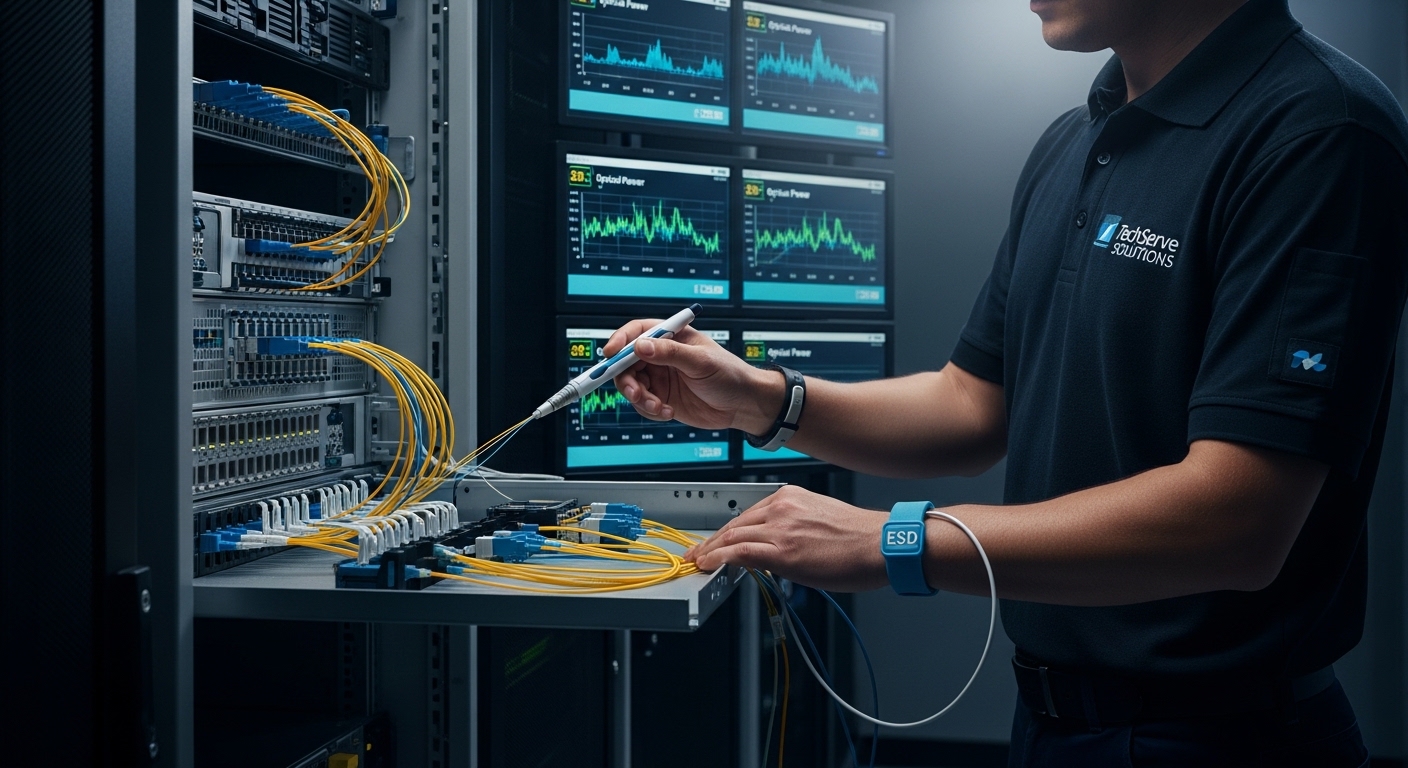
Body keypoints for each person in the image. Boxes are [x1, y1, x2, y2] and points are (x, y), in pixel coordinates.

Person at [602, 0, 1408, 764]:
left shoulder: (1320, 132)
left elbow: (1240, 518)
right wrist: (763, 399)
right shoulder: (1076, 140)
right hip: (1053, 727)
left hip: (1222, 740)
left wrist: (893, 540)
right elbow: (972, 404)